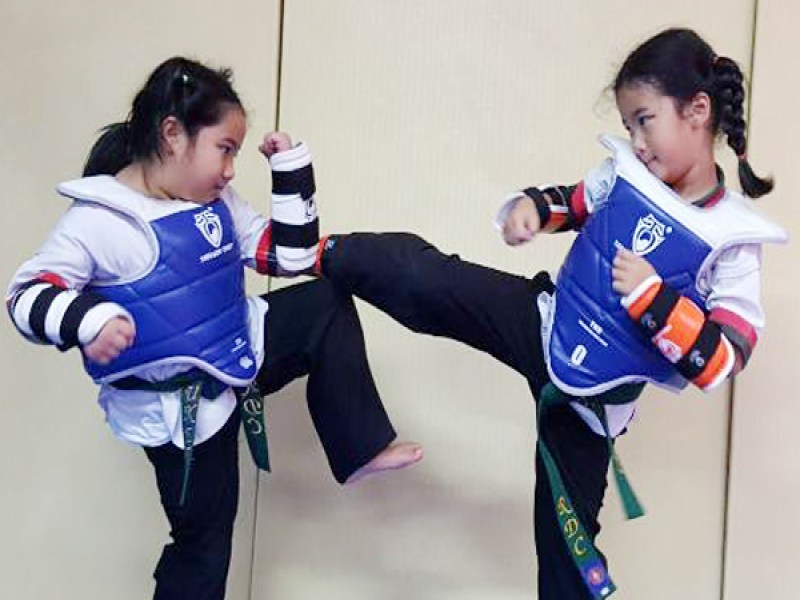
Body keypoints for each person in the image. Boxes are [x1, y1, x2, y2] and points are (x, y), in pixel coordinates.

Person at [310, 28, 787, 599]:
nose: (636, 141)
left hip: (591, 403)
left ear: (698, 110)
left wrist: (656, 300)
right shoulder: (625, 173)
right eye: (629, 125)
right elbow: (574, 201)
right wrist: (531, 210)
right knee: (424, 279)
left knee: (566, 564)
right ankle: (314, 253)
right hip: (545, 323)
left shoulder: (734, 240)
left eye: (645, 120)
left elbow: (724, 359)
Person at [5, 56, 422, 600]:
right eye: (224, 149)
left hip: (238, 348)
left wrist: (290, 170)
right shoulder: (100, 221)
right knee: (203, 545)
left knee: (324, 304)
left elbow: (291, 256)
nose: (229, 171)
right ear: (173, 135)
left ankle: (359, 447)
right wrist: (90, 320)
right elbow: (25, 295)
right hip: (180, 410)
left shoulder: (215, 203)